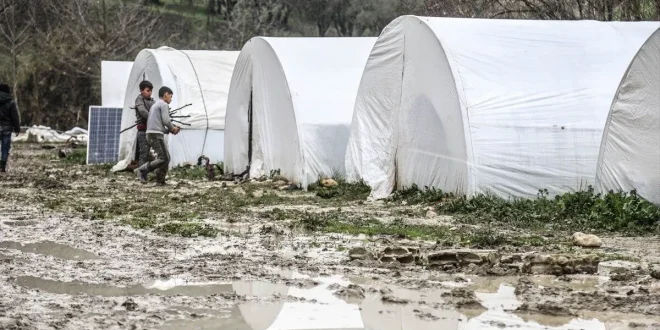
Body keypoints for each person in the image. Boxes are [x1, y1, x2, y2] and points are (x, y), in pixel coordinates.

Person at [136, 86, 180, 185]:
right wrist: (173, 129)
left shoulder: (155, 105)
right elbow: (166, 121)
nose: (171, 99)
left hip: (152, 133)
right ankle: (143, 170)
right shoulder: (163, 104)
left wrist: (167, 130)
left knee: (165, 157)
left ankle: (160, 180)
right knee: (164, 157)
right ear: (166, 95)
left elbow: (156, 124)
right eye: (170, 96)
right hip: (155, 135)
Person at [0, 84, 20, 173]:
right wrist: (17, 129)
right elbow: (14, 117)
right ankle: (2, 165)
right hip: (7, 128)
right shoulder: (11, 102)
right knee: (5, 147)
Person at [135, 80, 155, 168]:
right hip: (143, 130)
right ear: (141, 90)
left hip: (151, 130)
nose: (149, 93)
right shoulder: (139, 100)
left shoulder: (152, 101)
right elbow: (143, 112)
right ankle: (141, 172)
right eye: (147, 91)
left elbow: (157, 111)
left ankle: (145, 171)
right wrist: (155, 118)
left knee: (152, 153)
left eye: (151, 91)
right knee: (144, 153)